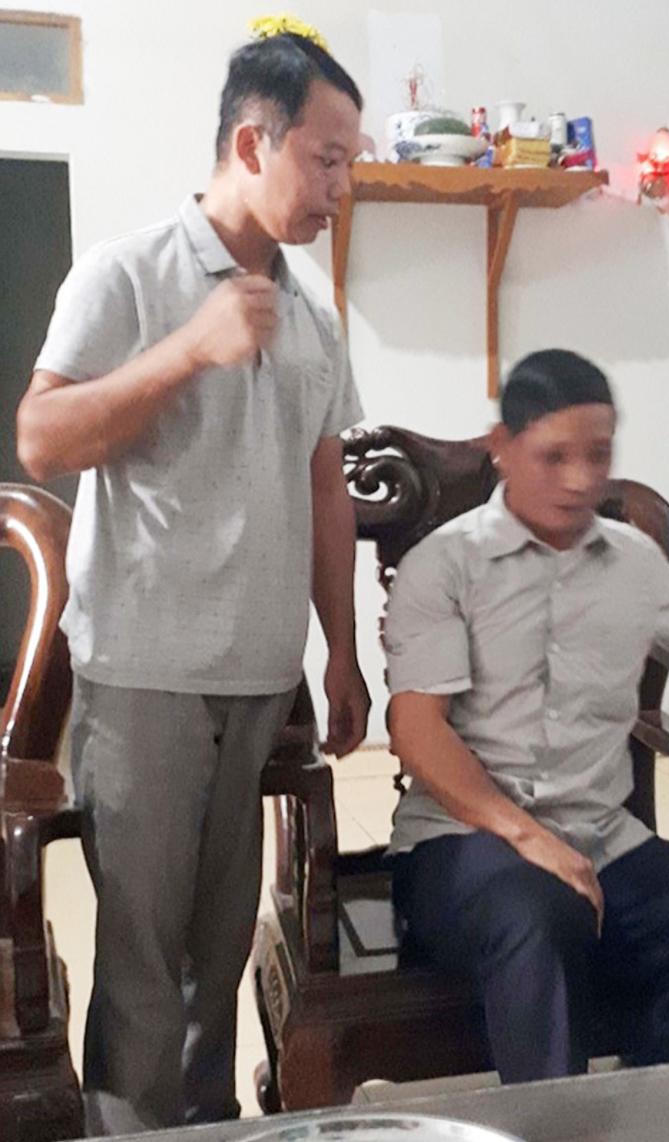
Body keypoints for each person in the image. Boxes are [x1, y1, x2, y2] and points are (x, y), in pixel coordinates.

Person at [16, 25, 369, 1135]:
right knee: (140, 966)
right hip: (144, 677)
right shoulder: (128, 274)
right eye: (326, 159)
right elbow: (41, 437)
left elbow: (325, 487)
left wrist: (342, 651)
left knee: (215, 964)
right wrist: (188, 350)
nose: (342, 188)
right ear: (252, 143)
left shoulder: (313, 314)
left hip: (258, 675)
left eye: (351, 163)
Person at [385, 349, 669, 1083]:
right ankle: (553, 1125)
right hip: (464, 842)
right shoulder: (445, 565)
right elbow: (417, 730)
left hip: (604, 839)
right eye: (554, 457)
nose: (579, 480)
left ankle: (657, 1102)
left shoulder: (633, 560)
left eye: (598, 455)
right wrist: (525, 835)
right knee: (541, 914)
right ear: (502, 447)